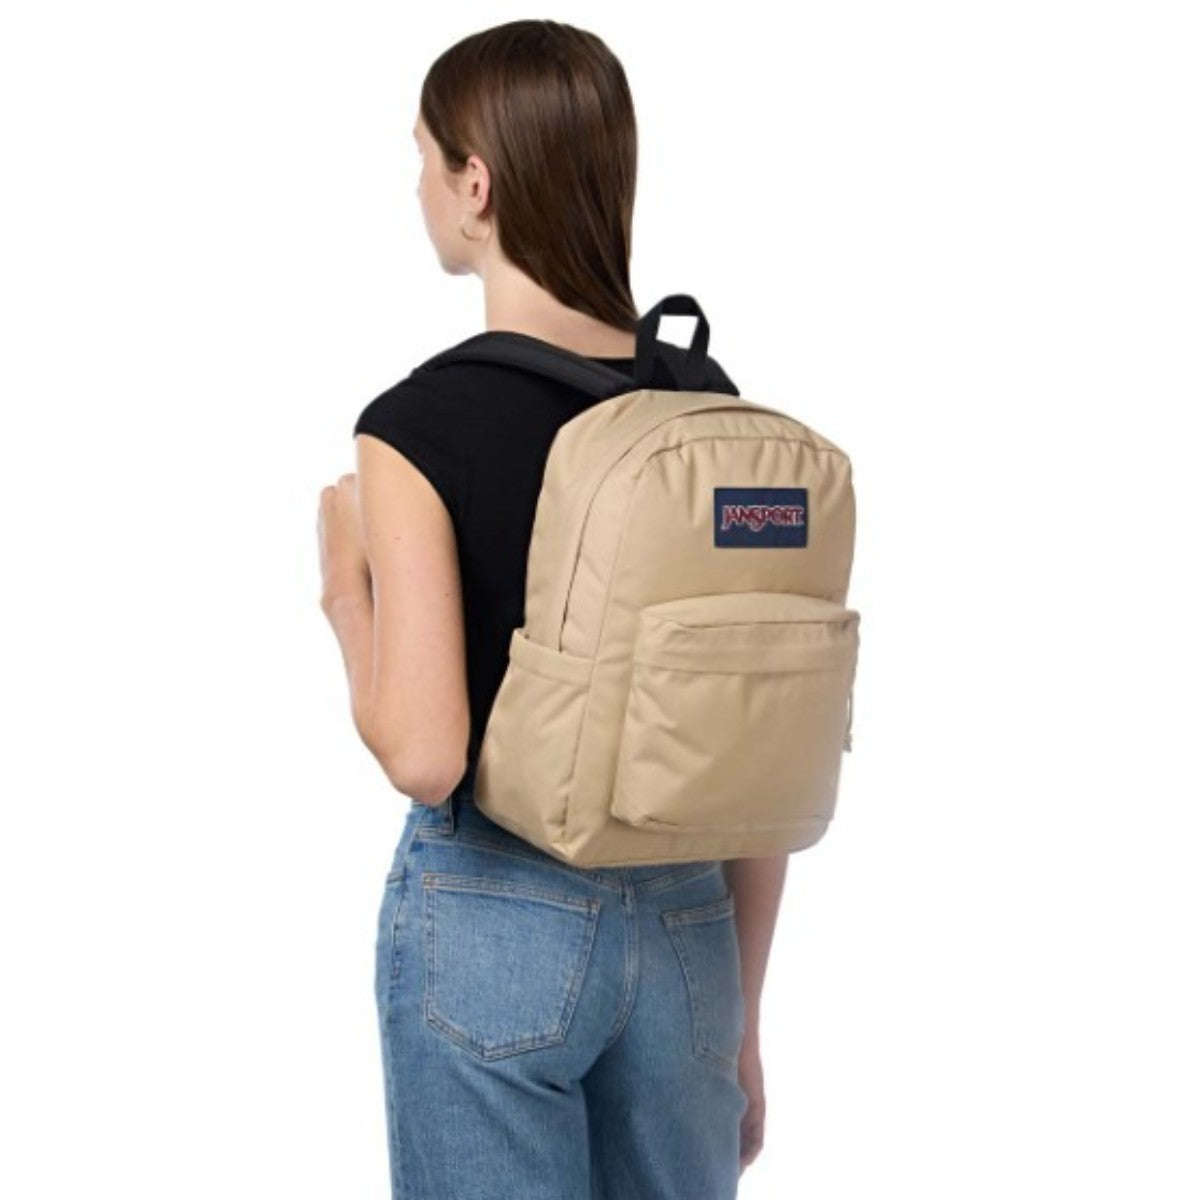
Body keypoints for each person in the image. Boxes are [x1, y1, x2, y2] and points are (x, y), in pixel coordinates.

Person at [317, 19, 787, 1199]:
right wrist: (740, 1017)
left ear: (474, 184)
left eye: (423, 156)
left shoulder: (416, 427)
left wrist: (344, 590)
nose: (418, 187)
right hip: (689, 927)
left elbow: (426, 754)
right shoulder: (710, 412)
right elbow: (756, 754)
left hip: (498, 916)